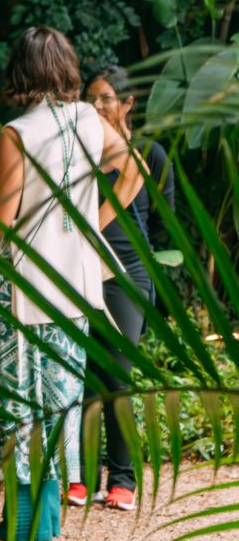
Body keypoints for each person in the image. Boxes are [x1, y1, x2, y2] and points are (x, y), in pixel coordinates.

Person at [0, 27, 140, 541]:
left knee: (21, 401)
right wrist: (89, 221)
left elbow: (2, 221)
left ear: (20, 72)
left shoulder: (18, 133)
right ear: (67, 68)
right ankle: (46, 520)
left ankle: (26, 524)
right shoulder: (90, 120)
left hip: (25, 288)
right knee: (58, 402)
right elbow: (132, 163)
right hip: (74, 287)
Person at [67, 64, 175, 511]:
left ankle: (124, 480)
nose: (96, 106)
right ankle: (86, 477)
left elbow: (163, 224)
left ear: (128, 103)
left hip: (128, 274)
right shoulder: (79, 151)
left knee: (117, 374)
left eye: (106, 98)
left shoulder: (149, 153)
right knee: (87, 376)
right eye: (90, 98)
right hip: (83, 268)